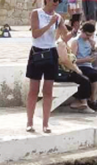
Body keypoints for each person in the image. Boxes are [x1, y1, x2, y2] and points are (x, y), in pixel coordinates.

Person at [26, 0, 70, 133]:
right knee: (33, 90)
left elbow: (65, 37)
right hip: (37, 52)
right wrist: (50, 24)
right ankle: (30, 122)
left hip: (51, 52)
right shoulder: (36, 13)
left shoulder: (58, 17)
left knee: (48, 91)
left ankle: (46, 123)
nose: (56, 3)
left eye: (58, 1)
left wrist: (74, 30)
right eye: (54, 0)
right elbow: (35, 34)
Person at [71, 22, 97, 111]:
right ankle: (93, 100)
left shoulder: (90, 42)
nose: (88, 37)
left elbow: (92, 55)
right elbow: (73, 60)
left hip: (89, 66)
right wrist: (86, 60)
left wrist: (93, 47)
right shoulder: (76, 42)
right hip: (80, 66)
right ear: (82, 31)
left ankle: (93, 99)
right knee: (95, 75)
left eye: (90, 35)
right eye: (87, 35)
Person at [57, 23, 94, 113]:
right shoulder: (60, 44)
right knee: (84, 80)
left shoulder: (65, 44)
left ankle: (82, 103)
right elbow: (64, 60)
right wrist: (76, 69)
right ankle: (81, 103)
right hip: (61, 72)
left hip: (66, 70)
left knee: (85, 79)